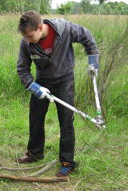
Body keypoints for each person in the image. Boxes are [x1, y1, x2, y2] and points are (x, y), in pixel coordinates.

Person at [16, 11, 99, 177]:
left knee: (66, 121)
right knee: (36, 118)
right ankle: (34, 153)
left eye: (30, 36)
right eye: (25, 36)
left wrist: (93, 59)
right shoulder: (26, 43)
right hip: (42, 82)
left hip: (64, 81)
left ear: (40, 27)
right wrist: (33, 86)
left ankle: (67, 162)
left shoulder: (64, 29)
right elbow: (22, 69)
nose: (27, 40)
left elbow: (87, 36)